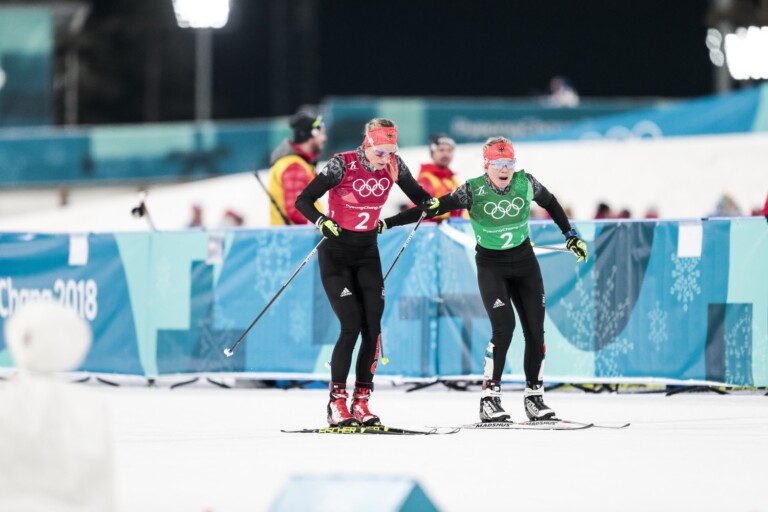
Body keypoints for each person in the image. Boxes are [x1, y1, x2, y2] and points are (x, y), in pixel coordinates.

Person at [381, 136, 588, 423]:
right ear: (486, 165)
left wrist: (570, 235)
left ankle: (534, 398)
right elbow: (433, 208)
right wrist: (388, 223)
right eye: (497, 163)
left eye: (509, 163)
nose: (504, 169)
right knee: (504, 329)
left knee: (535, 332)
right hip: (492, 266)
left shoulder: (526, 182)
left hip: (525, 264)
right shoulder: (472, 189)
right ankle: (490, 399)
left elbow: (551, 203)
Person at [295, 118, 439, 426]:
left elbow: (423, 202)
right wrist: (321, 221)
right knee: (350, 325)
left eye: (391, 151)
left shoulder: (394, 165)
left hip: (367, 254)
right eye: (380, 151)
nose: (385, 158)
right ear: (367, 144)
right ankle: (336, 402)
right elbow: (303, 200)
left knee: (372, 328)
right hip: (336, 255)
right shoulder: (342, 164)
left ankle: (361, 401)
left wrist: (418, 210)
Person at [268, 111, 328, 225]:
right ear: (311, 134)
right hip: (297, 235)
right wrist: (324, 225)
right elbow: (297, 210)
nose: (324, 138)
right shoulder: (295, 166)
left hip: (293, 234)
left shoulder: (296, 163)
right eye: (321, 133)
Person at [415, 134, 465, 222]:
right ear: (432, 153)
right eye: (441, 150)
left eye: (449, 150)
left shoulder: (451, 179)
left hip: (450, 228)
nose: (446, 154)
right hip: (435, 229)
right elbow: (418, 213)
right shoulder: (427, 180)